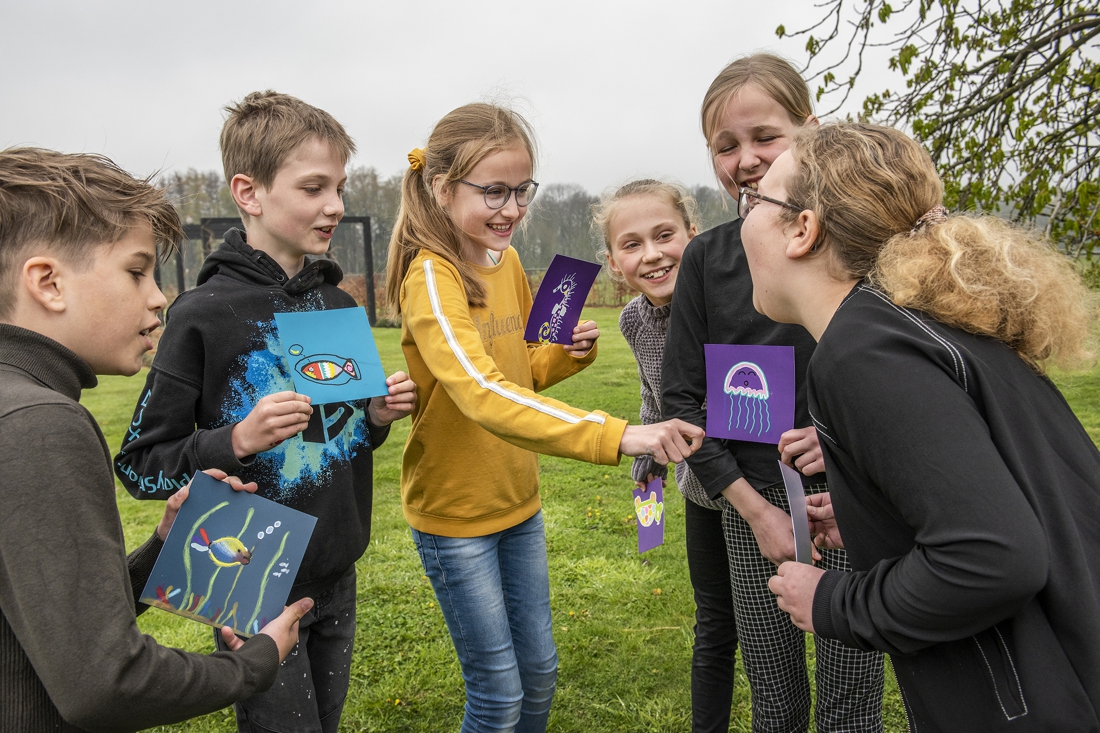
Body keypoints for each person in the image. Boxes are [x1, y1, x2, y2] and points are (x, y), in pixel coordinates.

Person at [759, 122, 1100, 731]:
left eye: (755, 199)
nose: (743, 220)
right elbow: (996, 489)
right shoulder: (912, 322)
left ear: (801, 229)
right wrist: (875, 512)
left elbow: (993, 557)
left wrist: (832, 601)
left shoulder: (861, 352)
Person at [385, 102, 704, 733]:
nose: (511, 209)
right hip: (456, 517)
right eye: (494, 192)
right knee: (498, 695)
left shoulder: (505, 265)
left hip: (518, 502)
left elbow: (521, 369)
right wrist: (619, 434)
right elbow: (480, 391)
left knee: (541, 675)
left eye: (521, 191)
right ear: (445, 190)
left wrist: (564, 354)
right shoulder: (431, 276)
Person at [113, 91, 416, 733]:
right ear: (248, 192)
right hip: (246, 582)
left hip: (337, 569)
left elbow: (340, 440)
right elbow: (141, 468)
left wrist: (377, 418)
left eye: (339, 186)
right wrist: (236, 440)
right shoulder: (199, 315)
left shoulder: (335, 304)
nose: (334, 205)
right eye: (313, 187)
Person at [0, 146, 313, 733]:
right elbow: (105, 683)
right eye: (136, 270)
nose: (158, 296)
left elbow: (47, 611)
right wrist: (252, 663)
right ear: (47, 282)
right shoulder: (39, 423)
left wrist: (159, 552)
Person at [661, 54, 885, 732]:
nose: (747, 159)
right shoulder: (708, 258)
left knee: (851, 701)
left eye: (765, 137)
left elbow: (899, 377)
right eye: (725, 146)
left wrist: (845, 437)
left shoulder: (863, 243)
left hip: (848, 506)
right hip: (749, 512)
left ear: (810, 131)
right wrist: (755, 511)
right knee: (776, 698)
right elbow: (684, 400)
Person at [595, 179, 739, 732]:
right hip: (701, 495)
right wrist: (647, 498)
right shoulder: (633, 320)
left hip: (755, 489)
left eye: (664, 235)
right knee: (713, 626)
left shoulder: (729, 303)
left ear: (693, 235)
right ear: (613, 262)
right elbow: (652, 405)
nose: (652, 255)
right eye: (632, 244)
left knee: (769, 622)